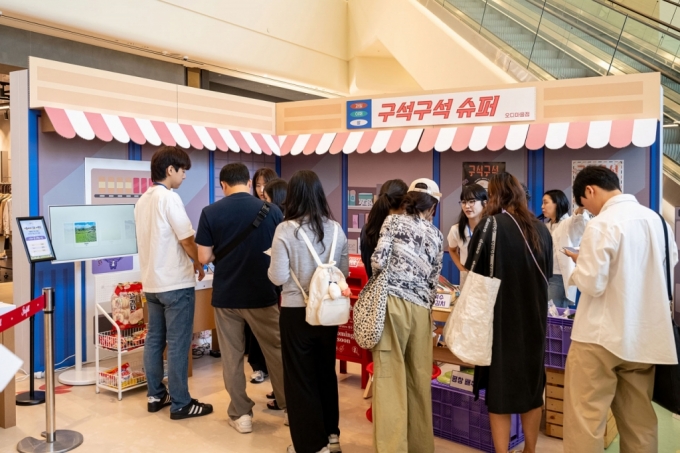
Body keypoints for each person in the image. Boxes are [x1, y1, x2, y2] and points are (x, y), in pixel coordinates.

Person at [562, 166, 678, 453]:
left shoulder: (602, 223)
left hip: (599, 337)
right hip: (644, 336)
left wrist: (576, 266)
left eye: (583, 203)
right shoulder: (658, 222)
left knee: (585, 420)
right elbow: (668, 265)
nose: (585, 210)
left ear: (589, 190)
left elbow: (592, 283)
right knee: (639, 423)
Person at [195, 162, 286, 434]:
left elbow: (203, 257)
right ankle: (290, 406)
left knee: (232, 357)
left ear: (223, 185)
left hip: (227, 296)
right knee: (278, 352)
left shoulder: (210, 212)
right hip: (263, 293)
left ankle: (241, 414)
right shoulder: (273, 210)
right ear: (248, 183)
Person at [466, 172, 552, 453]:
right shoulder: (541, 229)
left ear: (494, 196)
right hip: (535, 319)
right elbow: (548, 274)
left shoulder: (490, 225)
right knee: (531, 388)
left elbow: (474, 272)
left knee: (500, 391)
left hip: (500, 320)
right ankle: (530, 449)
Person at [268, 170, 349, 453]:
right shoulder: (337, 229)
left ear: (292, 196)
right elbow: (344, 274)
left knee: (300, 378)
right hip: (328, 312)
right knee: (325, 372)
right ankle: (332, 436)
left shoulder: (285, 230)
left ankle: (311, 446)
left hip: (296, 312)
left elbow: (277, 277)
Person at [134, 146, 212, 420]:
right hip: (176, 284)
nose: (185, 176)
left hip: (152, 283)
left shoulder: (142, 200)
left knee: (154, 340)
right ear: (170, 170)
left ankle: (156, 395)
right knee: (178, 343)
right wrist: (200, 262)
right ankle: (181, 403)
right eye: (183, 171)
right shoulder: (169, 198)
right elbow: (187, 239)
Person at [369, 178, 444, 453]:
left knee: (390, 381)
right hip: (422, 311)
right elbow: (434, 279)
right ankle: (421, 447)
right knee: (418, 380)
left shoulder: (393, 222)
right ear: (433, 205)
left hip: (394, 305)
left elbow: (378, 260)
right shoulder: (437, 235)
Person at [247, 168, 278, 389]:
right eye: (257, 185)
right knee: (254, 327)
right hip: (256, 275)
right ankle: (259, 366)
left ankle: (274, 369)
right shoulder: (250, 210)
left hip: (276, 277)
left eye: (265, 185)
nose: (261, 190)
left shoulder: (278, 211)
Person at [541, 189, 590, 308]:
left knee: (554, 313)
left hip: (558, 276)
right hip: (545, 274)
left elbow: (578, 219)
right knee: (549, 313)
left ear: (557, 203)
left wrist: (580, 208)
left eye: (546, 202)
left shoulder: (567, 223)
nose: (542, 206)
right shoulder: (545, 226)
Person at [359, 179, 408, 279]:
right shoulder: (403, 232)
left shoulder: (367, 230)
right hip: (395, 294)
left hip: (374, 291)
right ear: (404, 205)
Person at [447, 183, 487, 287]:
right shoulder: (456, 230)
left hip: (487, 277)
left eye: (472, 201)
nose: (467, 206)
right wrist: (463, 269)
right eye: (464, 202)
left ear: (485, 203)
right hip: (467, 275)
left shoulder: (492, 228)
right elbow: (452, 250)